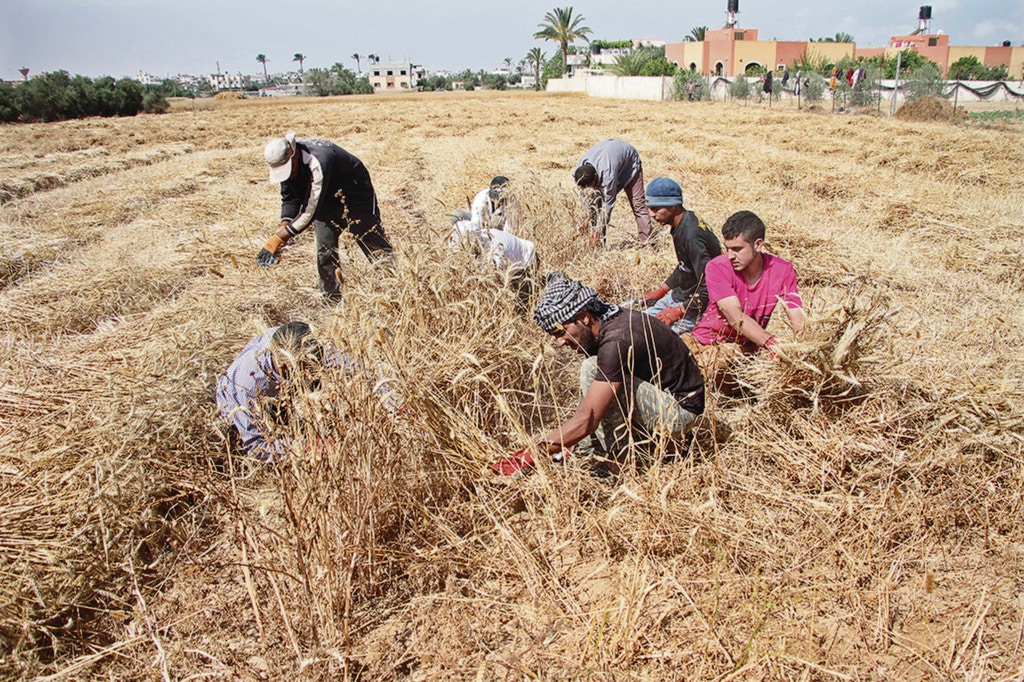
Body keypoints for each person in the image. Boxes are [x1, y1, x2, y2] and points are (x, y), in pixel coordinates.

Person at [494, 274, 705, 476]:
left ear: (584, 317)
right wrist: (570, 444)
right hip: (662, 399)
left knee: (591, 369)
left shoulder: (616, 340)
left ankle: (622, 463)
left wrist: (528, 455)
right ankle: (608, 449)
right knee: (596, 381)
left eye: (561, 332)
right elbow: (591, 406)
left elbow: (588, 419)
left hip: (679, 413)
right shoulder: (607, 321)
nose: (559, 342)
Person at [257, 132, 393, 302]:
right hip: (325, 199)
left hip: (355, 193)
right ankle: (331, 300)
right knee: (325, 250)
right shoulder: (287, 162)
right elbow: (290, 198)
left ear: (295, 155)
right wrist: (284, 224)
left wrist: (277, 239)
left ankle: (396, 286)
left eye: (288, 169)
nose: (288, 175)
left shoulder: (319, 161)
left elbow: (309, 212)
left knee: (370, 240)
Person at [684, 210, 805, 391]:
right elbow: (734, 317)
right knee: (661, 361)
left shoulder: (783, 270)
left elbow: (796, 314)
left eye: (737, 249)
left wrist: (804, 348)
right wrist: (771, 343)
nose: (730, 255)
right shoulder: (717, 267)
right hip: (701, 340)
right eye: (727, 248)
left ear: (758, 245)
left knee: (700, 373)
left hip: (738, 348)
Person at [216, 322, 325, 461]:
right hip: (241, 412)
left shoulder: (296, 339)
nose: (311, 374)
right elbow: (255, 446)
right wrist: (307, 447)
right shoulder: (245, 387)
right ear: (284, 366)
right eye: (306, 370)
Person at [630, 177, 722, 335]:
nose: (652, 215)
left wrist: (681, 309)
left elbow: (709, 284)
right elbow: (685, 266)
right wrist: (661, 290)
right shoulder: (682, 223)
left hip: (696, 307)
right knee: (634, 323)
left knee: (653, 336)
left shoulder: (692, 236)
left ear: (673, 206)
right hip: (681, 296)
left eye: (656, 209)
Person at [573, 139, 652, 245]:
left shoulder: (607, 175)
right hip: (611, 157)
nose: (592, 189)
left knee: (638, 206)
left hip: (630, 163)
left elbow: (607, 206)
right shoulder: (578, 174)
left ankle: (646, 244)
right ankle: (599, 247)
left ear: (595, 177)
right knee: (595, 206)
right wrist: (584, 218)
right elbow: (586, 201)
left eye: (592, 186)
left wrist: (597, 231)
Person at [450, 214, 538, 304]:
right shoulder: (479, 236)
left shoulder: (495, 251)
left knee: (521, 305)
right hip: (514, 262)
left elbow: (499, 285)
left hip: (528, 262)